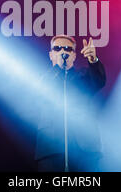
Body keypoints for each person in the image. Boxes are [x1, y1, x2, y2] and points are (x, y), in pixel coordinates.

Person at [34, 35, 106, 172]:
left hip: (85, 149)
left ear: (73, 55)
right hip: (51, 149)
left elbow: (99, 80)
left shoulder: (83, 77)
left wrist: (93, 60)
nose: (63, 52)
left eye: (68, 49)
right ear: (51, 55)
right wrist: (58, 69)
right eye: (57, 48)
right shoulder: (43, 79)